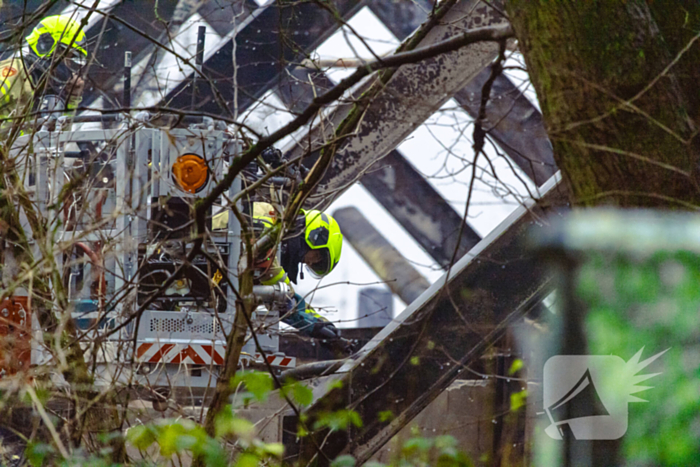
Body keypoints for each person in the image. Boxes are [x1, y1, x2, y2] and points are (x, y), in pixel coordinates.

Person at [214, 201, 350, 350]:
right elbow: (266, 265)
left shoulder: (279, 239)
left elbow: (285, 296)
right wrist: (312, 325)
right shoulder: (266, 215)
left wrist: (322, 323)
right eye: (317, 256)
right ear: (315, 235)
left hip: (213, 279)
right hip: (206, 263)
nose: (310, 262)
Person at [1, 14, 88, 134]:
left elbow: (56, 140)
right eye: (63, 57)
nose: (66, 66)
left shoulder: (49, 88)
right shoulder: (14, 71)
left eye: (70, 60)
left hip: (25, 152)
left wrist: (71, 100)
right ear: (46, 47)